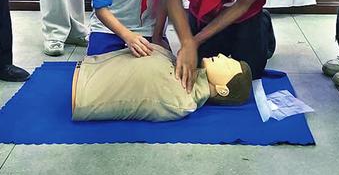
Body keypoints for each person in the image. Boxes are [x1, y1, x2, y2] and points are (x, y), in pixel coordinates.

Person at [72, 47, 252, 121]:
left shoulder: (182, 101)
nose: (221, 56)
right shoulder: (183, 68)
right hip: (89, 67)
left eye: (227, 64)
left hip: (83, 92)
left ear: (223, 90)